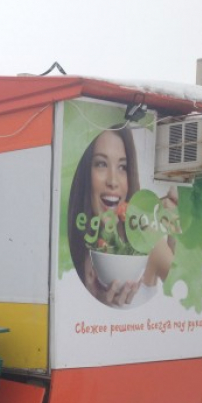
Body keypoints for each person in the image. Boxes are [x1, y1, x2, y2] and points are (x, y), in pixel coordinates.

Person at [67, 128, 176, 308]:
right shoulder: (72, 246)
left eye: (122, 167)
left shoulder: (145, 236)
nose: (113, 181)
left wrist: (174, 222)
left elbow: (180, 285)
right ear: (86, 172)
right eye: (101, 164)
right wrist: (96, 304)